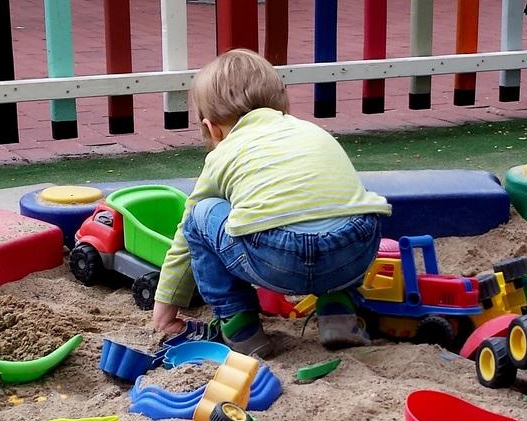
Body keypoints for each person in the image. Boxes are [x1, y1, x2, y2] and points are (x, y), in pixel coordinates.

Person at [149, 49, 392, 357]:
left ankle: (240, 326)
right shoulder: (311, 131)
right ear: (282, 105)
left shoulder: (222, 154)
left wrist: (165, 306)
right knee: (349, 201)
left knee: (200, 214)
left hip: (277, 259)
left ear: (212, 129)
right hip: (349, 254)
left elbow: (187, 234)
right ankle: (339, 312)